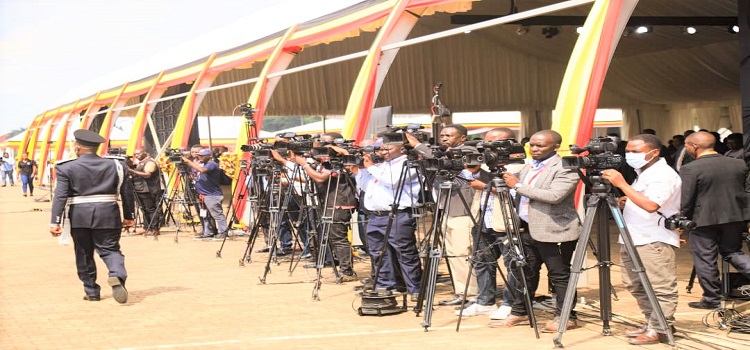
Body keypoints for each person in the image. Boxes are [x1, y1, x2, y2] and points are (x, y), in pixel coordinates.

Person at [491, 130, 581, 333]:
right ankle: (520, 311)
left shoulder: (566, 167)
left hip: (554, 230)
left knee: (559, 275)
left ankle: (566, 316)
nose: (534, 149)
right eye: (532, 144)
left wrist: (518, 185)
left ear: (556, 146)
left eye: (540, 145)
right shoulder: (528, 166)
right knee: (526, 271)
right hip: (526, 228)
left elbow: (554, 195)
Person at [603, 134, 681, 345]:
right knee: (635, 283)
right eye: (627, 151)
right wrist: (626, 202)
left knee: (660, 286)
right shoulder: (644, 172)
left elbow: (651, 205)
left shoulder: (663, 174)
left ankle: (660, 327)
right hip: (632, 236)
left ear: (653, 152)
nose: (629, 155)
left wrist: (621, 184)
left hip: (653, 238)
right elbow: (641, 201)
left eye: (635, 152)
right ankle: (653, 321)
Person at [49, 129, 135, 303]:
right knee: (110, 250)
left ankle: (92, 291)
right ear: (97, 148)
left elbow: (60, 196)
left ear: (78, 147)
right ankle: (117, 276)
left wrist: (55, 221)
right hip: (108, 213)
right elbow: (127, 192)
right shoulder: (117, 165)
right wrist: (129, 216)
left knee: (84, 253)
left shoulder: (66, 167)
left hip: (80, 216)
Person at [458, 127, 524, 318]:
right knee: (482, 261)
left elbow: (516, 193)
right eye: (485, 143)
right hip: (482, 219)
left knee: (512, 263)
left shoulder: (519, 166)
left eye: (493, 143)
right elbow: (465, 180)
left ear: (508, 144)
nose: (487, 148)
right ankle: (485, 301)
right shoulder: (485, 164)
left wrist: (486, 186)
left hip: (506, 221)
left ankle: (510, 303)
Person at [679, 131, 750, 309]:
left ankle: (712, 299)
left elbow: (687, 199)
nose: (685, 149)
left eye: (686, 146)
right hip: (735, 217)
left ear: (694, 146)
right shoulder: (739, 164)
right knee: (733, 252)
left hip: (702, 220)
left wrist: (682, 221)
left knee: (705, 258)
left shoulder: (690, 168)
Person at [360, 141, 423, 300]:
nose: (383, 152)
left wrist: (371, 168)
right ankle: (385, 285)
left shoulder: (409, 164)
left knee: (405, 253)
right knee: (379, 253)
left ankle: (415, 288)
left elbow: (393, 182)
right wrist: (360, 170)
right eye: (381, 149)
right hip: (376, 215)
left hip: (398, 214)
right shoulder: (381, 166)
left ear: (401, 149)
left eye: (388, 148)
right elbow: (366, 187)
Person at [293, 132, 358, 282]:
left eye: (324, 144)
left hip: (339, 203)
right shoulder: (327, 162)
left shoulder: (341, 161)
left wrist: (304, 164)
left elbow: (320, 177)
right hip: (328, 202)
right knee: (332, 237)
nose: (320, 146)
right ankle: (341, 268)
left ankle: (347, 272)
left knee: (338, 238)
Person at [433, 124, 479, 307]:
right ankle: (462, 292)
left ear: (462, 138)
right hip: (448, 209)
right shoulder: (444, 155)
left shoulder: (468, 153)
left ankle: (473, 294)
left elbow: (465, 176)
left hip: (464, 211)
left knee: (463, 254)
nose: (444, 138)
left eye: (449, 136)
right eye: (442, 135)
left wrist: (418, 146)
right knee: (452, 254)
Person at [183, 148, 228, 239]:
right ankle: (208, 232)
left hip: (212, 195)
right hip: (203, 195)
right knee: (205, 215)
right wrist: (186, 169)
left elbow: (202, 170)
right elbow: (195, 176)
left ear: (209, 156)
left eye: (202, 155)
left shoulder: (211, 164)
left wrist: (188, 161)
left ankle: (223, 232)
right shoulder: (202, 164)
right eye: (199, 155)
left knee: (217, 214)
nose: (200, 157)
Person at [128, 149, 163, 236]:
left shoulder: (150, 162)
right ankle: (146, 228)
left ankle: (154, 228)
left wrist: (131, 171)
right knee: (144, 209)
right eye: (135, 154)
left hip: (149, 190)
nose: (136, 155)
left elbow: (147, 175)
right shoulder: (140, 163)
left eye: (138, 153)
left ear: (145, 153)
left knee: (151, 209)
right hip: (140, 189)